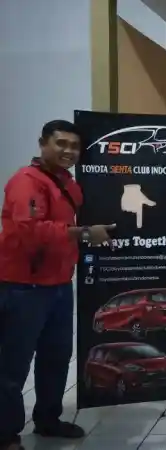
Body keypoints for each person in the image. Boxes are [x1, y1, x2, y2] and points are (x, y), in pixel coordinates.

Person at [0, 120, 116, 450]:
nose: (68, 151)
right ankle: (5, 434)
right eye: (61, 143)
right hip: (23, 287)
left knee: (56, 356)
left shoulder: (68, 183)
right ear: (43, 144)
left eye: (74, 146)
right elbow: (30, 229)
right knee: (13, 365)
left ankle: (48, 419)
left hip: (60, 285)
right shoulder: (26, 181)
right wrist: (84, 233)